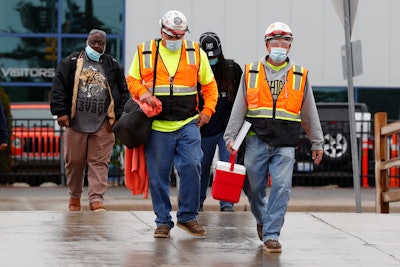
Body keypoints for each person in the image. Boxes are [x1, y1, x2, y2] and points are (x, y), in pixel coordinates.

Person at [224, 22, 324, 253]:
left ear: (290, 46)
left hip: (286, 141)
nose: (280, 47)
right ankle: (263, 219)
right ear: (266, 45)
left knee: (281, 186)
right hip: (256, 138)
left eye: (285, 43)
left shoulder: (300, 74)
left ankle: (271, 234)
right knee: (254, 188)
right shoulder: (251, 72)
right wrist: (231, 136)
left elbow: (309, 111)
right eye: (276, 43)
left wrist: (317, 142)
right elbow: (240, 106)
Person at [126, 10, 218, 238]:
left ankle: (187, 216)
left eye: (180, 36)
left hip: (188, 123)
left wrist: (207, 111)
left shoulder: (195, 52)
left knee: (192, 166)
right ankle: (163, 221)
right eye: (172, 36)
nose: (176, 40)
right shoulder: (145, 51)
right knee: (159, 176)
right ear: (162, 32)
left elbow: (210, 85)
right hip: (157, 126)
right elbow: (132, 79)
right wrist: (143, 92)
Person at [50, 29, 130, 212]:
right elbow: (58, 87)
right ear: (87, 41)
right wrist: (60, 112)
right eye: (93, 42)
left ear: (105, 45)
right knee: (74, 162)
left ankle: (96, 200)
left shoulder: (113, 65)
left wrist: (117, 116)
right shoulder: (71, 62)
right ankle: (74, 197)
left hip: (103, 123)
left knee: (99, 163)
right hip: (75, 123)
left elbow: (124, 93)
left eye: (100, 43)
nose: (96, 46)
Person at [197, 32, 242, 212]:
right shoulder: (195, 70)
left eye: (214, 56)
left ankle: (227, 204)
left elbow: (242, 98)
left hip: (227, 130)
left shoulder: (232, 69)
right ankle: (197, 202)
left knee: (228, 167)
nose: (211, 59)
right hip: (204, 129)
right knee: (201, 167)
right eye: (208, 57)